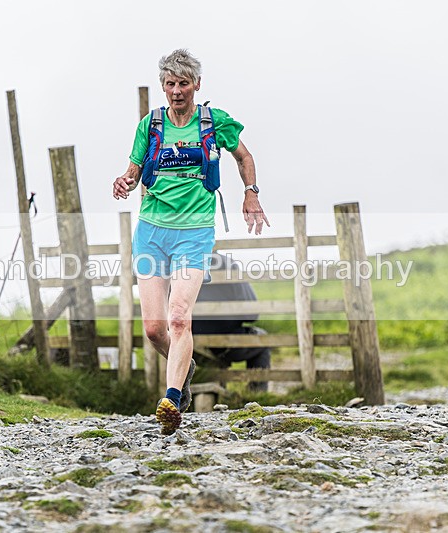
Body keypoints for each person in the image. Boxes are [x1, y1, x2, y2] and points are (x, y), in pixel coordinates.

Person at [113, 49, 270, 435]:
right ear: (163, 86)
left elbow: (244, 156)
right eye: (170, 84)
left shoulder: (214, 122)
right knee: (153, 328)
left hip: (195, 232)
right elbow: (134, 169)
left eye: (184, 83)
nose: (177, 91)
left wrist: (251, 192)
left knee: (179, 316)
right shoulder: (149, 125)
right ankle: (186, 366)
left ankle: (172, 396)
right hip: (151, 231)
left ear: (196, 84)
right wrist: (125, 180)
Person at [192, 253, 271, 392]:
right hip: (225, 344)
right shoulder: (226, 263)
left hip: (187, 344)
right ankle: (256, 395)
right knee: (262, 339)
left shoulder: (178, 262)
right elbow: (252, 313)